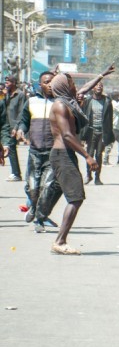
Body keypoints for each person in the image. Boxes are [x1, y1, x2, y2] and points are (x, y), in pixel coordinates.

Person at [48, 73, 97, 255]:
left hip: (64, 154)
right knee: (75, 198)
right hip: (62, 154)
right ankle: (60, 241)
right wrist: (88, 156)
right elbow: (67, 135)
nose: (75, 85)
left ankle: (54, 231)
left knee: (74, 196)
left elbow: (85, 89)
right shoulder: (61, 105)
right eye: (71, 82)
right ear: (64, 86)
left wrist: (100, 76)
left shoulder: (66, 102)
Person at [17, 72, 58, 232]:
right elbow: (24, 121)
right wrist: (21, 129)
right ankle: (33, 208)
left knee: (47, 187)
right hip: (34, 152)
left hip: (53, 152)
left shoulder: (60, 103)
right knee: (32, 188)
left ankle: (39, 220)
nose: (49, 85)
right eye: (46, 82)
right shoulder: (31, 102)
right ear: (40, 84)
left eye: (52, 82)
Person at [82, 82, 113, 185]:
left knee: (99, 155)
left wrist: (109, 134)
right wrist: (82, 133)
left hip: (102, 132)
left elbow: (110, 119)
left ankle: (97, 177)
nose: (99, 87)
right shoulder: (88, 101)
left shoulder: (107, 101)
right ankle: (88, 175)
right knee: (89, 154)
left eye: (101, 86)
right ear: (93, 88)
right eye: (97, 86)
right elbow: (83, 115)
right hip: (91, 131)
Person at [5, 75, 26, 182]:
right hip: (5, 126)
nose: (6, 84)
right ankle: (15, 172)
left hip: (13, 126)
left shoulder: (20, 95)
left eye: (8, 82)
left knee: (11, 148)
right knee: (10, 149)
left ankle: (16, 173)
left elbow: (21, 112)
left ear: (13, 83)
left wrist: (17, 127)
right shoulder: (6, 94)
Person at [103, 92, 119, 166]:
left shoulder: (115, 103)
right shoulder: (114, 104)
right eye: (118, 96)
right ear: (116, 97)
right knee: (110, 144)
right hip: (114, 126)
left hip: (117, 127)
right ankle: (105, 160)